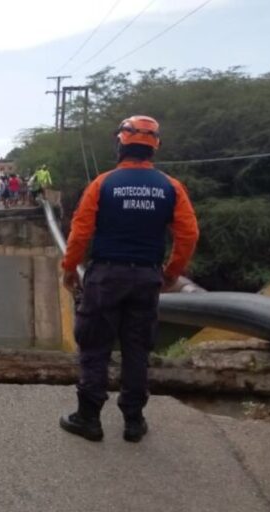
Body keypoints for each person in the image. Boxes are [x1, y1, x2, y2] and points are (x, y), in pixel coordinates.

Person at [59, 115, 199, 443]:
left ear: (121, 144)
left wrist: (69, 267)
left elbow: (81, 231)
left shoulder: (103, 184)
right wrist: (171, 273)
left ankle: (89, 418)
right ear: (155, 147)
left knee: (95, 346)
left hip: (105, 276)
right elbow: (188, 235)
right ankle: (133, 421)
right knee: (137, 347)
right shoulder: (171, 187)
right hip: (147, 277)